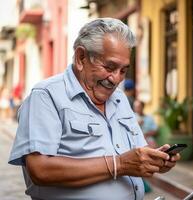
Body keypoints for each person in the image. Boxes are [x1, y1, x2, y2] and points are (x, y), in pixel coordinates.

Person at [8, 18, 180, 200]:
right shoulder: (46, 96)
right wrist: (119, 164)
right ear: (81, 58)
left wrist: (154, 158)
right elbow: (40, 170)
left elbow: (137, 151)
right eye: (110, 67)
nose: (116, 79)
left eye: (123, 71)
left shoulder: (119, 99)